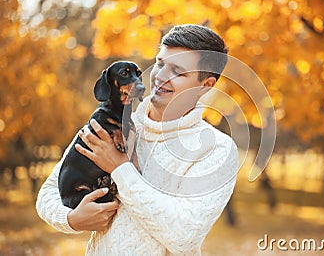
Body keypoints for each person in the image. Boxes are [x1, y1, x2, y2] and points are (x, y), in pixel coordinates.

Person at [36, 24, 239, 255]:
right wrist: (71, 218)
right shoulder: (108, 124)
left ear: (205, 86)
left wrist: (121, 168)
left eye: (178, 72)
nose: (160, 77)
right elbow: (49, 192)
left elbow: (184, 238)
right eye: (160, 63)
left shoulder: (218, 150)